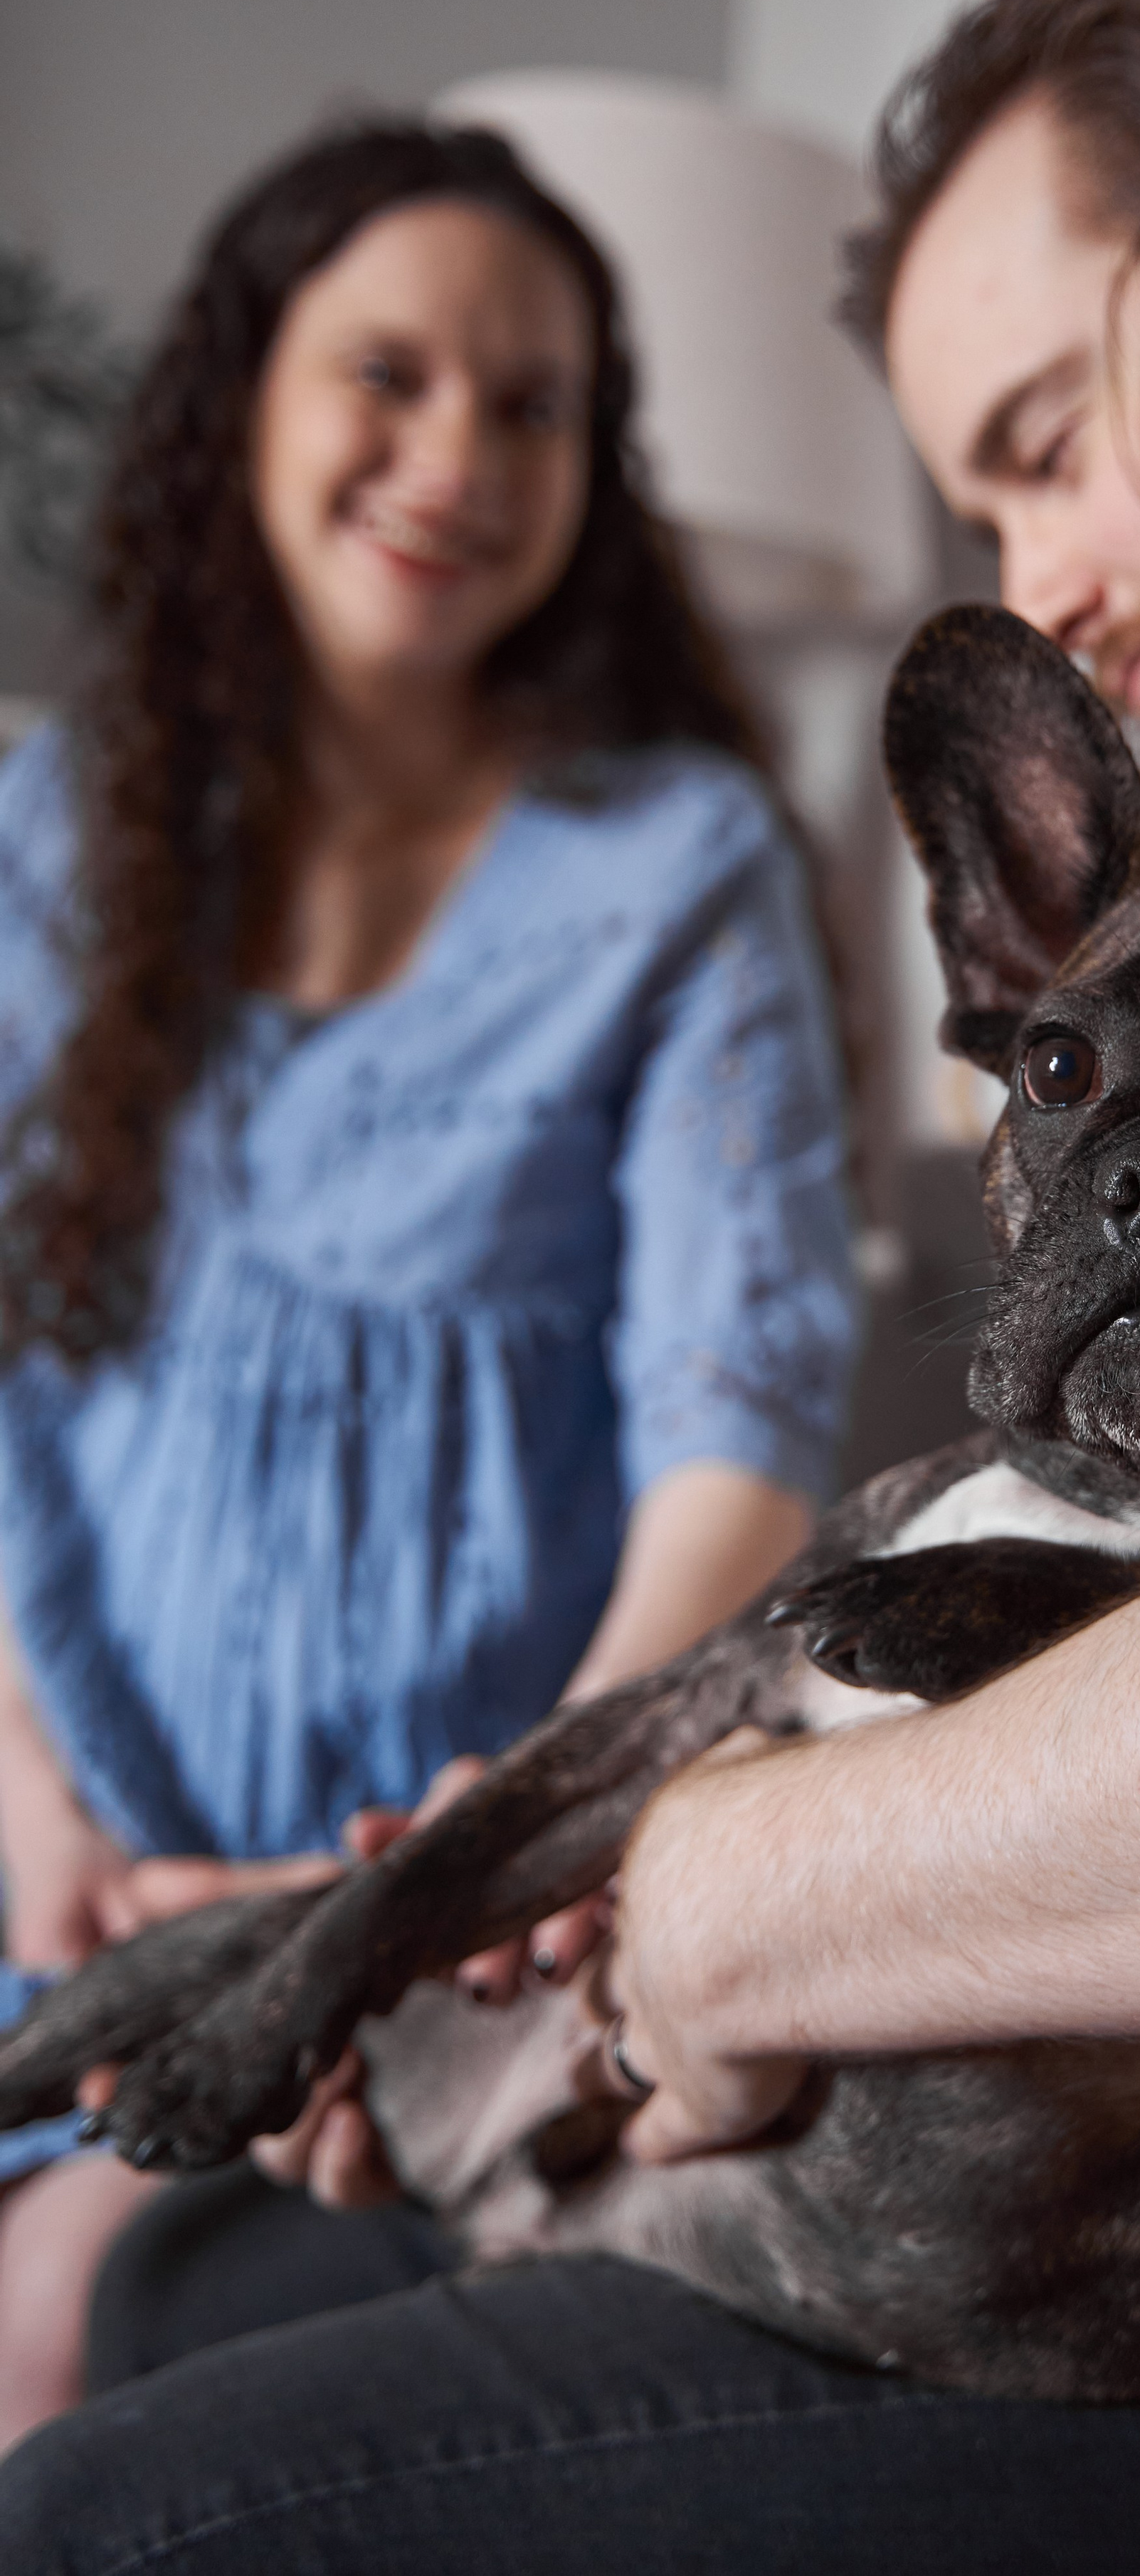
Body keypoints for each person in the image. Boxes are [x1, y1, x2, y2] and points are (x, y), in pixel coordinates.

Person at [5, 0, 1140, 2571]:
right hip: (929, 2061)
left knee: (118, 2506)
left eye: (1048, 437)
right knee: (115, 2280)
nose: (1036, 564)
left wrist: (722, 1911)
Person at [0, 120, 855, 2450]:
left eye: (536, 404)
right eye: (390, 373)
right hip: (52, 1859)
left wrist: (513, 1852)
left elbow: (739, 1410)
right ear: (244, 399)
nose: (457, 455)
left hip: (420, 1929)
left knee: (66, 2332)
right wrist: (30, 1809)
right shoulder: (57, 834)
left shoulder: (681, 865)